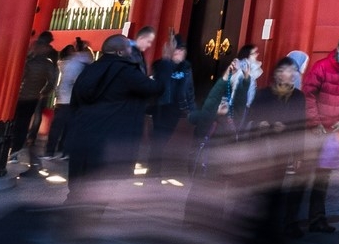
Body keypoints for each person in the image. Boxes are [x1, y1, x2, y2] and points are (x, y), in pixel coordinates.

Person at [65, 34, 158, 196]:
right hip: (110, 139)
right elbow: (152, 92)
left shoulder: (89, 71)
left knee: (77, 189)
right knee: (98, 193)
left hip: (83, 136)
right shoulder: (127, 74)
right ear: (121, 53)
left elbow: (75, 104)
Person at [301, 34, 339, 233]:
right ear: (338, 48)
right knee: (303, 177)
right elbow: (308, 94)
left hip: (332, 133)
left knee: (323, 177)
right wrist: (315, 123)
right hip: (314, 131)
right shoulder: (321, 66)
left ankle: (317, 219)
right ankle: (289, 221)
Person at [246, 58, 311, 244]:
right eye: (287, 70)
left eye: (294, 71)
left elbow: (300, 126)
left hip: (282, 152)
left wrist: (300, 154)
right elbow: (252, 119)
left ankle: (272, 233)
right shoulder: (263, 95)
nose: (291, 74)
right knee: (261, 193)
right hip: (263, 151)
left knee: (277, 193)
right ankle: (257, 232)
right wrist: (264, 125)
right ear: (277, 74)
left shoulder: (299, 97)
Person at [195, 44, 263, 171]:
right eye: (254, 53)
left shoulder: (249, 69)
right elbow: (236, 91)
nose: (257, 55)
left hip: (238, 107)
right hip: (234, 108)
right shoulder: (242, 69)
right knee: (230, 133)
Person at [11, 32, 59, 175]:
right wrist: (43, 92)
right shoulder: (47, 63)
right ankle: (18, 147)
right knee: (23, 122)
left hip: (24, 95)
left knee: (20, 122)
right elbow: (51, 82)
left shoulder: (29, 60)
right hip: (32, 96)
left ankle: (16, 147)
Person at [148, 37, 196, 176]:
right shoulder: (161, 65)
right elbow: (159, 84)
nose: (180, 52)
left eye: (182, 50)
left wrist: (192, 110)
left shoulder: (186, 67)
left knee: (164, 140)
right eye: (177, 49)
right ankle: (153, 172)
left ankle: (154, 170)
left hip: (176, 109)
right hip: (162, 108)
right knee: (159, 140)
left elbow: (189, 90)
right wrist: (167, 61)